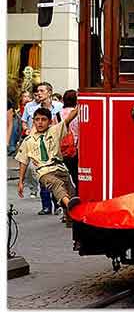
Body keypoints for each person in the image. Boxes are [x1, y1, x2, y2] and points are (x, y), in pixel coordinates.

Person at [15, 107, 81, 215]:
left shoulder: (54, 130)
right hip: (44, 171)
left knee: (71, 191)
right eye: (37, 119)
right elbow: (23, 161)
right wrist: (21, 181)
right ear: (34, 121)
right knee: (57, 185)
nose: (40, 122)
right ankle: (68, 204)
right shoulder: (28, 141)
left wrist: (80, 102)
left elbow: (69, 118)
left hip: (59, 167)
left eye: (43, 119)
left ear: (49, 121)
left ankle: (70, 216)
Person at [21, 82, 63, 214]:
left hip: (54, 145)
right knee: (42, 175)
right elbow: (25, 122)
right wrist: (27, 131)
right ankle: (46, 206)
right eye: (37, 91)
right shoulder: (32, 108)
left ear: (49, 93)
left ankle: (58, 205)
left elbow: (62, 125)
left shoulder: (59, 107)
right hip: (37, 146)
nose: (38, 93)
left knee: (56, 177)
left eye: (41, 91)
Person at [59, 90, 79, 193]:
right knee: (76, 175)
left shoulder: (58, 113)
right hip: (76, 147)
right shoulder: (78, 113)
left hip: (63, 147)